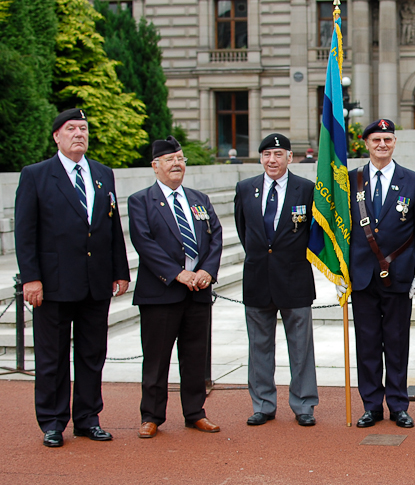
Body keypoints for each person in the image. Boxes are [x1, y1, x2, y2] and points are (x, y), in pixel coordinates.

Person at [15, 108, 130, 448]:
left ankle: (87, 418)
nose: (79, 133)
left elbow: (111, 226)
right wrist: (30, 279)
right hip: (53, 283)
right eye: (71, 128)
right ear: (56, 136)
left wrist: (120, 271)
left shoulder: (102, 174)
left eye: (84, 128)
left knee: (92, 354)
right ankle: (52, 422)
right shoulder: (36, 175)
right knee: (51, 357)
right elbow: (25, 232)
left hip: (95, 282)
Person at [128, 136, 223, 438]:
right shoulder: (141, 201)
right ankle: (152, 415)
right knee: (156, 358)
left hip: (198, 292)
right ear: (155, 166)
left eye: (180, 158)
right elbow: (144, 243)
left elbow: (216, 235)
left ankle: (195, 412)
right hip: (161, 293)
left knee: (195, 356)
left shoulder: (199, 199)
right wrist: (177, 273)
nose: (177, 164)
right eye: (170, 160)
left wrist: (207, 270)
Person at [346, 118, 415, 429]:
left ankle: (398, 405)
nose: (382, 145)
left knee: (396, 343)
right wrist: (341, 272)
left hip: (399, 275)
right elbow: (343, 231)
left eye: (388, 140)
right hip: (362, 276)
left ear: (395, 143)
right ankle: (371, 405)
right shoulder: (350, 181)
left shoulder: (413, 180)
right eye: (376, 140)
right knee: (367, 344)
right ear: (365, 144)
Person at [235, 133, 319, 427]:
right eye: (267, 154)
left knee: (301, 348)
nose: (272, 160)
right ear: (260, 158)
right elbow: (244, 230)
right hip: (258, 279)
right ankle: (263, 404)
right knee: (259, 348)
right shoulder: (245, 189)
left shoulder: (306, 189)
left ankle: (304, 404)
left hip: (295, 279)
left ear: (289, 158)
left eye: (278, 154)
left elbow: (313, 232)